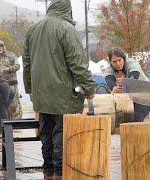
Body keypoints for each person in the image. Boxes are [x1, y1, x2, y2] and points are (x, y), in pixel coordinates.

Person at [22, 0, 95, 179]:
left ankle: (48, 172)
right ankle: (61, 174)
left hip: (41, 96)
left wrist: (30, 89)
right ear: (68, 11)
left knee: (46, 135)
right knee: (61, 137)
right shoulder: (66, 29)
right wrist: (89, 88)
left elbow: (26, 63)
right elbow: (78, 63)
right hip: (63, 96)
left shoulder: (32, 30)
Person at [104, 48, 150, 122]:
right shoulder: (108, 69)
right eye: (114, 62)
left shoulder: (132, 63)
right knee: (124, 120)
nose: (118, 64)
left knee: (136, 119)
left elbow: (134, 77)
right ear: (110, 62)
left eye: (119, 60)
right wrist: (114, 88)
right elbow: (109, 80)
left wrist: (124, 83)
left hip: (147, 92)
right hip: (131, 95)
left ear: (124, 59)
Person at [0, 40, 22, 119]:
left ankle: (16, 122)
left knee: (14, 104)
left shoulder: (11, 55)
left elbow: (17, 65)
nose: (0, 48)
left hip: (11, 84)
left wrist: (9, 69)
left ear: (4, 47)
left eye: (1, 46)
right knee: (0, 105)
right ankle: (3, 123)